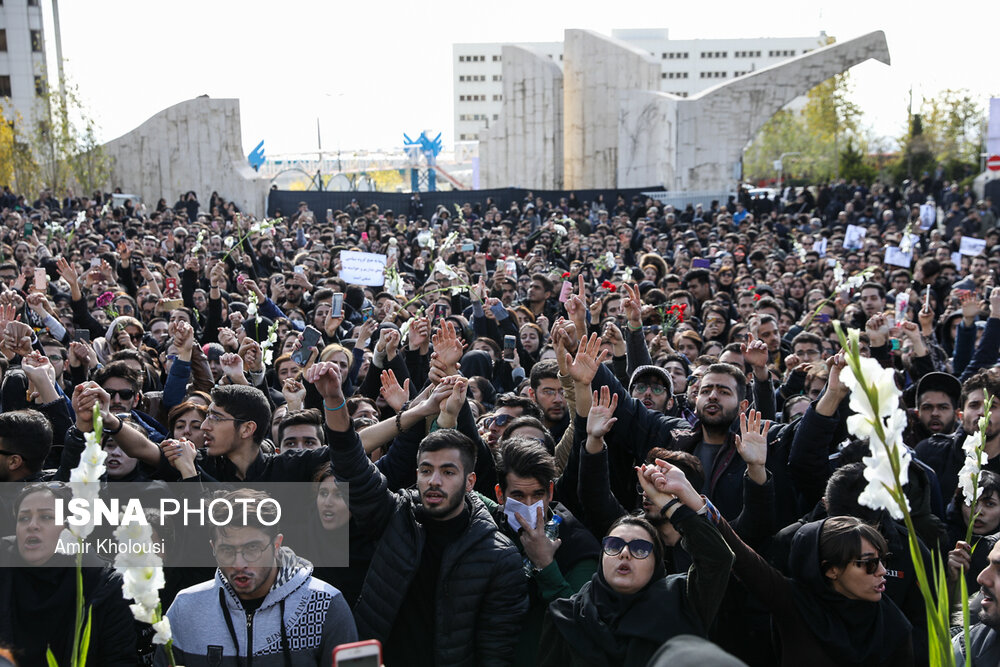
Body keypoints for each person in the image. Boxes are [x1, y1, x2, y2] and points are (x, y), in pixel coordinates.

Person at [309, 360, 528, 667]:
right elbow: (351, 467)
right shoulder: (393, 515)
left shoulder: (499, 556)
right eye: (426, 470)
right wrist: (334, 401)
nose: (434, 481)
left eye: (448, 471)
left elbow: (496, 650)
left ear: (470, 482)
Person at [537, 460, 734, 667]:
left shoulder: (682, 600)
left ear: (656, 562)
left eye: (639, 549)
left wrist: (668, 504)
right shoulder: (568, 616)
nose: (624, 554)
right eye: (613, 545)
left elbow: (718, 558)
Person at [158, 488, 358, 666]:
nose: (239, 564)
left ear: (276, 545)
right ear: (213, 548)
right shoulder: (186, 608)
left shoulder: (323, 603)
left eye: (252, 548)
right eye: (226, 550)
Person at [0, 483, 136, 665]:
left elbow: (120, 660)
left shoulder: (105, 586)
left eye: (46, 517)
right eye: (24, 519)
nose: (32, 526)